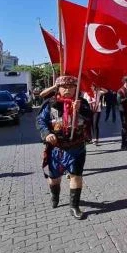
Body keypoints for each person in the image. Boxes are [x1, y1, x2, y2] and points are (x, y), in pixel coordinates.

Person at [36, 75, 93, 219]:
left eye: (70, 87)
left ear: (76, 89)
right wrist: (47, 133)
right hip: (56, 148)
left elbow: (90, 118)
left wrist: (80, 110)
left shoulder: (82, 103)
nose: (67, 89)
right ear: (58, 89)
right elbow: (41, 121)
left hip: (77, 146)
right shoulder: (50, 103)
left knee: (76, 176)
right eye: (64, 87)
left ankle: (74, 206)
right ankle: (55, 196)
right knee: (54, 178)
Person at [116, 77, 127, 150]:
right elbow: (119, 101)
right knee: (125, 128)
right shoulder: (120, 90)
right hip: (123, 111)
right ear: (126, 81)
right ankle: (123, 145)